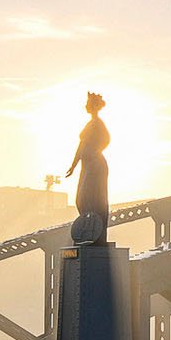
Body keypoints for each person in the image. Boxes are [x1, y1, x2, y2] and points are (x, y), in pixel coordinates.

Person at [67, 92, 110, 245]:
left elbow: (105, 140)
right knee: (83, 199)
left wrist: (95, 151)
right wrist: (74, 165)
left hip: (95, 165)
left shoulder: (96, 124)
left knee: (92, 198)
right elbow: (82, 146)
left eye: (87, 103)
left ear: (93, 106)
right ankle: (90, 231)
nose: (85, 106)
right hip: (89, 165)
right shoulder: (91, 124)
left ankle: (95, 234)